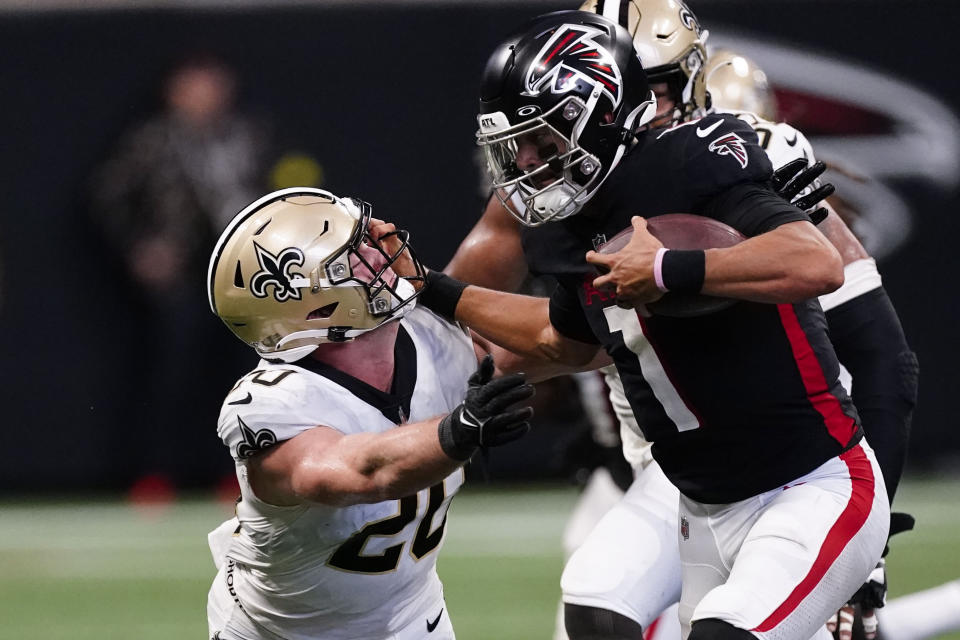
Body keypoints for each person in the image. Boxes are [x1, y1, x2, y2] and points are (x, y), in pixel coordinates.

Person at [446, 2, 917, 638]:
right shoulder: (562, 203)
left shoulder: (728, 156)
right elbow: (562, 339)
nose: (531, 162)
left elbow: (873, 342)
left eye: (661, 88)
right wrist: (436, 316)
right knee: (592, 607)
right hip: (673, 475)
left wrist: (671, 267)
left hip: (793, 464)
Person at [204, 187, 535, 640]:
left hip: (413, 616)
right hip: (283, 634)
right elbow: (361, 473)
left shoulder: (434, 335)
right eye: (352, 256)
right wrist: (458, 429)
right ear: (315, 306)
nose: (379, 251)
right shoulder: (271, 404)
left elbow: (567, 340)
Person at [89, 53, 276, 491]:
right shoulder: (150, 141)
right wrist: (142, 245)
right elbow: (105, 196)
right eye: (194, 86)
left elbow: (279, 186)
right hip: (182, 277)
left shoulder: (249, 135)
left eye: (212, 85)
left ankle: (240, 471)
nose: (204, 96)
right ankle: (157, 475)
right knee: (172, 374)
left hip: (242, 274)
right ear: (173, 91)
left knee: (245, 375)